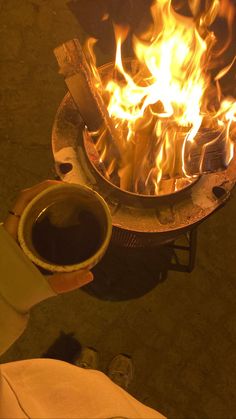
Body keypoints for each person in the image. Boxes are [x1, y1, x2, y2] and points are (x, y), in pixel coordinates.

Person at [0, 180, 166, 419]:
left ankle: (89, 382)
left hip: (36, 398)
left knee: (75, 391)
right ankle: (112, 390)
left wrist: (6, 291)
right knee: (106, 401)